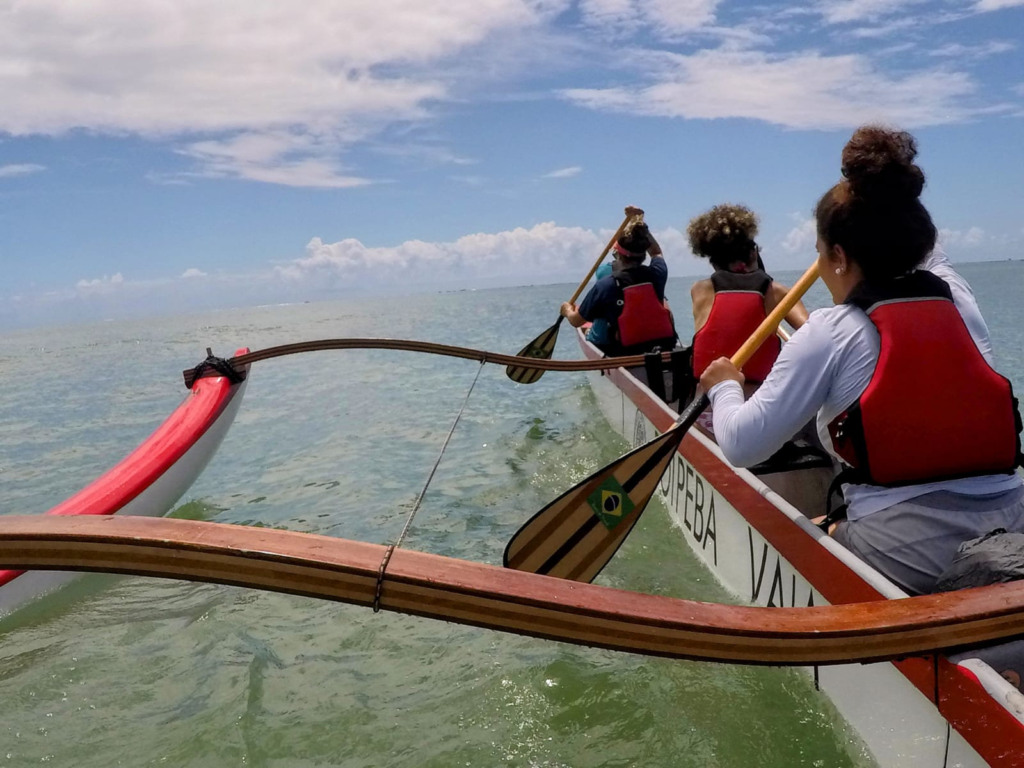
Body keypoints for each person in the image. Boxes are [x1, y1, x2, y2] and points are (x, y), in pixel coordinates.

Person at [698, 125, 1024, 599]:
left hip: (907, 554)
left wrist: (725, 384)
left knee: (815, 526)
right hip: (1014, 522)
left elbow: (743, 445)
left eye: (818, 253)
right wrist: (879, 205)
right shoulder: (959, 298)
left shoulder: (831, 330)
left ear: (837, 256)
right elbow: (924, 246)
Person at [687, 204, 809, 384]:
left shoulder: (699, 290)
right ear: (753, 254)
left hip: (704, 402)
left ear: (713, 262)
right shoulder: (775, 292)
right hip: (760, 400)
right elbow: (812, 333)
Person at [561, 206, 678, 356]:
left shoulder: (605, 285)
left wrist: (567, 311)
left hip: (625, 351)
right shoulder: (657, 273)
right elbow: (656, 252)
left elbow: (576, 321)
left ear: (619, 256)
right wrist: (641, 224)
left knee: (594, 328)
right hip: (664, 344)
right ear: (643, 253)